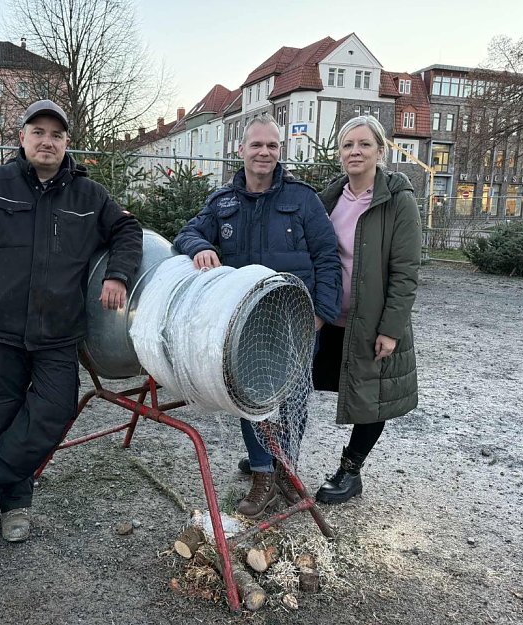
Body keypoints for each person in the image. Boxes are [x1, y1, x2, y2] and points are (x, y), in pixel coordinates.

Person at [0, 100, 142, 542]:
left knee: (53, 412)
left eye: (56, 135)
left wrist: (118, 273)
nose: (47, 141)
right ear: (22, 137)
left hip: (58, 331)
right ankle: (14, 506)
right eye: (38, 132)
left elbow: (127, 231)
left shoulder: (88, 196)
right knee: (1, 416)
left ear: (67, 143)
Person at [173, 115, 341, 519]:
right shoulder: (222, 203)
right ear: (241, 150)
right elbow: (186, 232)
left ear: (279, 151)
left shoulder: (303, 200)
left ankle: (288, 468)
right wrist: (199, 247)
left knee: (295, 399)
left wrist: (320, 316)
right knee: (250, 396)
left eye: (272, 146)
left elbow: (327, 257)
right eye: (257, 145)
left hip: (294, 320)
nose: (264, 152)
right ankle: (263, 473)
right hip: (244, 321)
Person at [312, 115, 422, 504]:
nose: (355, 151)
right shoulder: (329, 198)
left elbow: (406, 271)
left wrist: (390, 329)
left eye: (363, 144)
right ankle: (272, 459)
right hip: (326, 318)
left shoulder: (397, 200)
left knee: (371, 398)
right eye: (347, 145)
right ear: (339, 153)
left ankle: (350, 470)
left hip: (372, 322)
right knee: (297, 384)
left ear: (380, 150)